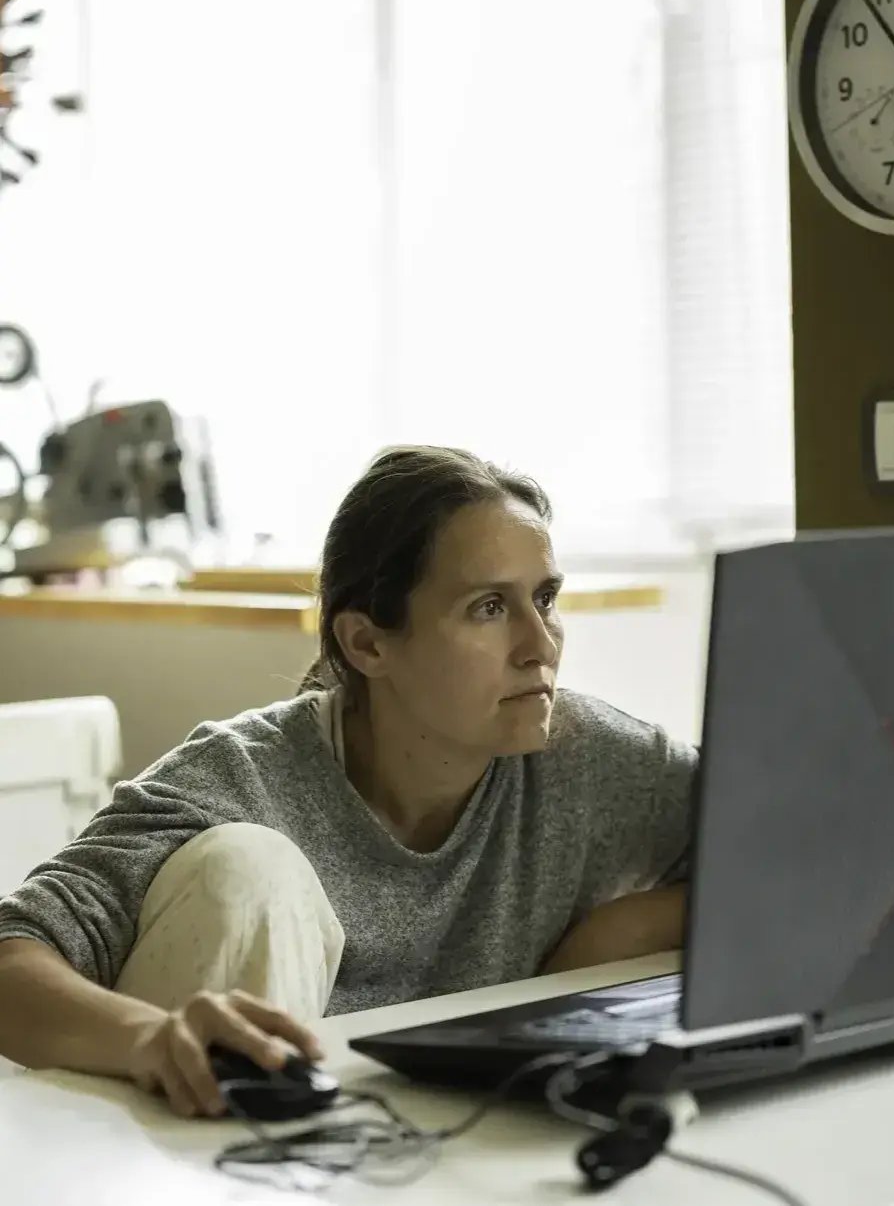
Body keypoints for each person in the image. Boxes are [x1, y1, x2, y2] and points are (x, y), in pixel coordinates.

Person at [0, 446, 696, 1118]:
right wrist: (150, 1038)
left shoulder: (585, 759)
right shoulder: (239, 778)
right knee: (248, 867)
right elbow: (11, 956)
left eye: (544, 599)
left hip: (442, 1154)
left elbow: (785, 842)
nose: (539, 645)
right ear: (367, 643)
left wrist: (615, 934)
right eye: (488, 607)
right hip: (218, 1150)